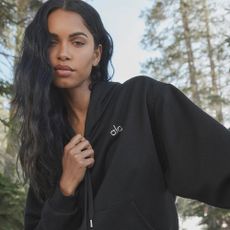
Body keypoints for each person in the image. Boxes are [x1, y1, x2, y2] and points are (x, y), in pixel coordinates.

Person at [12, 0, 230, 230]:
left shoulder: (142, 102)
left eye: (77, 42)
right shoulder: (46, 144)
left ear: (96, 54)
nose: (63, 53)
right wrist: (65, 190)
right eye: (51, 43)